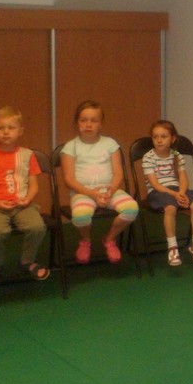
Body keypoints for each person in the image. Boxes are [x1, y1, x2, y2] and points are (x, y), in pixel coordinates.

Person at [0, 106, 49, 285]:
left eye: (11, 128)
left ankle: (28, 261)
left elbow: (33, 184)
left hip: (23, 205)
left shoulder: (27, 155)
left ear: (20, 131)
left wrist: (28, 199)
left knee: (37, 227)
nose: (6, 132)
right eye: (1, 128)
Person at [59, 100, 139, 264]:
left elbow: (118, 174)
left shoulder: (110, 144)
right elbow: (69, 180)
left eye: (94, 120)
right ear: (77, 122)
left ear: (101, 124)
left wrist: (110, 191)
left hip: (110, 190)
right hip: (83, 192)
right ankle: (86, 240)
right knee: (81, 216)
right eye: (83, 120)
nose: (88, 124)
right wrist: (92, 194)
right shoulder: (70, 147)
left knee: (132, 210)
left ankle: (109, 239)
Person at [142, 120, 193, 266]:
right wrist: (174, 195)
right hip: (158, 191)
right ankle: (172, 247)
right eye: (155, 137)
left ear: (173, 138)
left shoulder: (177, 155)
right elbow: (155, 184)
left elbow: (183, 179)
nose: (159, 140)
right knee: (170, 207)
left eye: (163, 136)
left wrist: (181, 193)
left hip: (177, 190)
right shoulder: (148, 157)